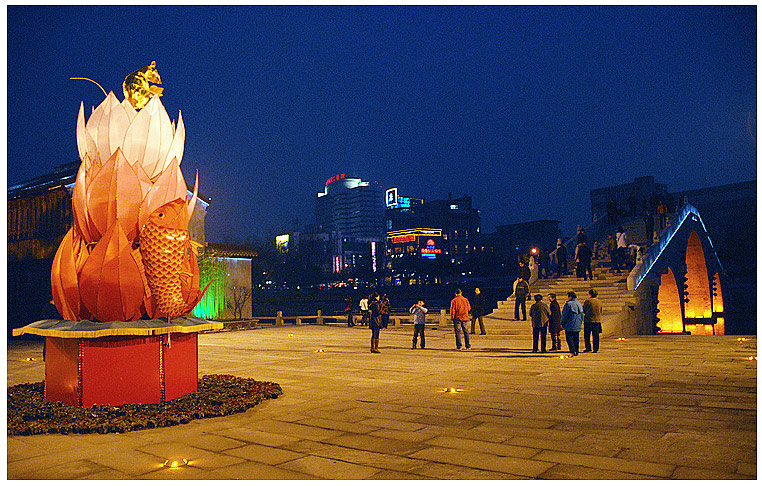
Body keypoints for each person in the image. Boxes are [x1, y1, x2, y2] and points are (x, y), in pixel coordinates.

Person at [560, 291, 584, 357]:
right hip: (577, 323)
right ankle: (577, 350)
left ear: (570, 297)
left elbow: (564, 315)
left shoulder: (568, 304)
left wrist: (562, 323)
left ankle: (572, 351)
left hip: (570, 324)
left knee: (569, 338)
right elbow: (582, 314)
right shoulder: (579, 303)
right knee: (576, 338)